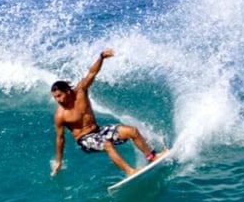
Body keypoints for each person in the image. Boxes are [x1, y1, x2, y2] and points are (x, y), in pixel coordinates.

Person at [50, 48, 165, 177]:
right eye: (55, 97)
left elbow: (92, 73)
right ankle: (130, 171)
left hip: (98, 130)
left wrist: (101, 57)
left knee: (132, 131)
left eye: (59, 96)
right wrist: (59, 162)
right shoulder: (60, 115)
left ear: (67, 91)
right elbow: (60, 139)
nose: (57, 100)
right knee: (107, 144)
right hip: (84, 139)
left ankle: (151, 156)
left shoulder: (81, 92)